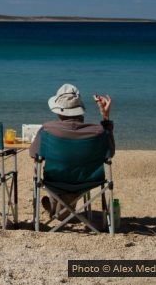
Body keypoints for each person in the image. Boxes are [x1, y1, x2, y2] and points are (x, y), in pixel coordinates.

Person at [30, 83, 115, 218]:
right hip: (88, 181)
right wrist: (105, 117)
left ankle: (56, 208)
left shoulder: (47, 130)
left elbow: (34, 154)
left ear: (58, 110)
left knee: (58, 170)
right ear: (80, 109)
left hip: (56, 181)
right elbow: (110, 153)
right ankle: (60, 209)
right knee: (73, 169)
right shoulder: (98, 131)